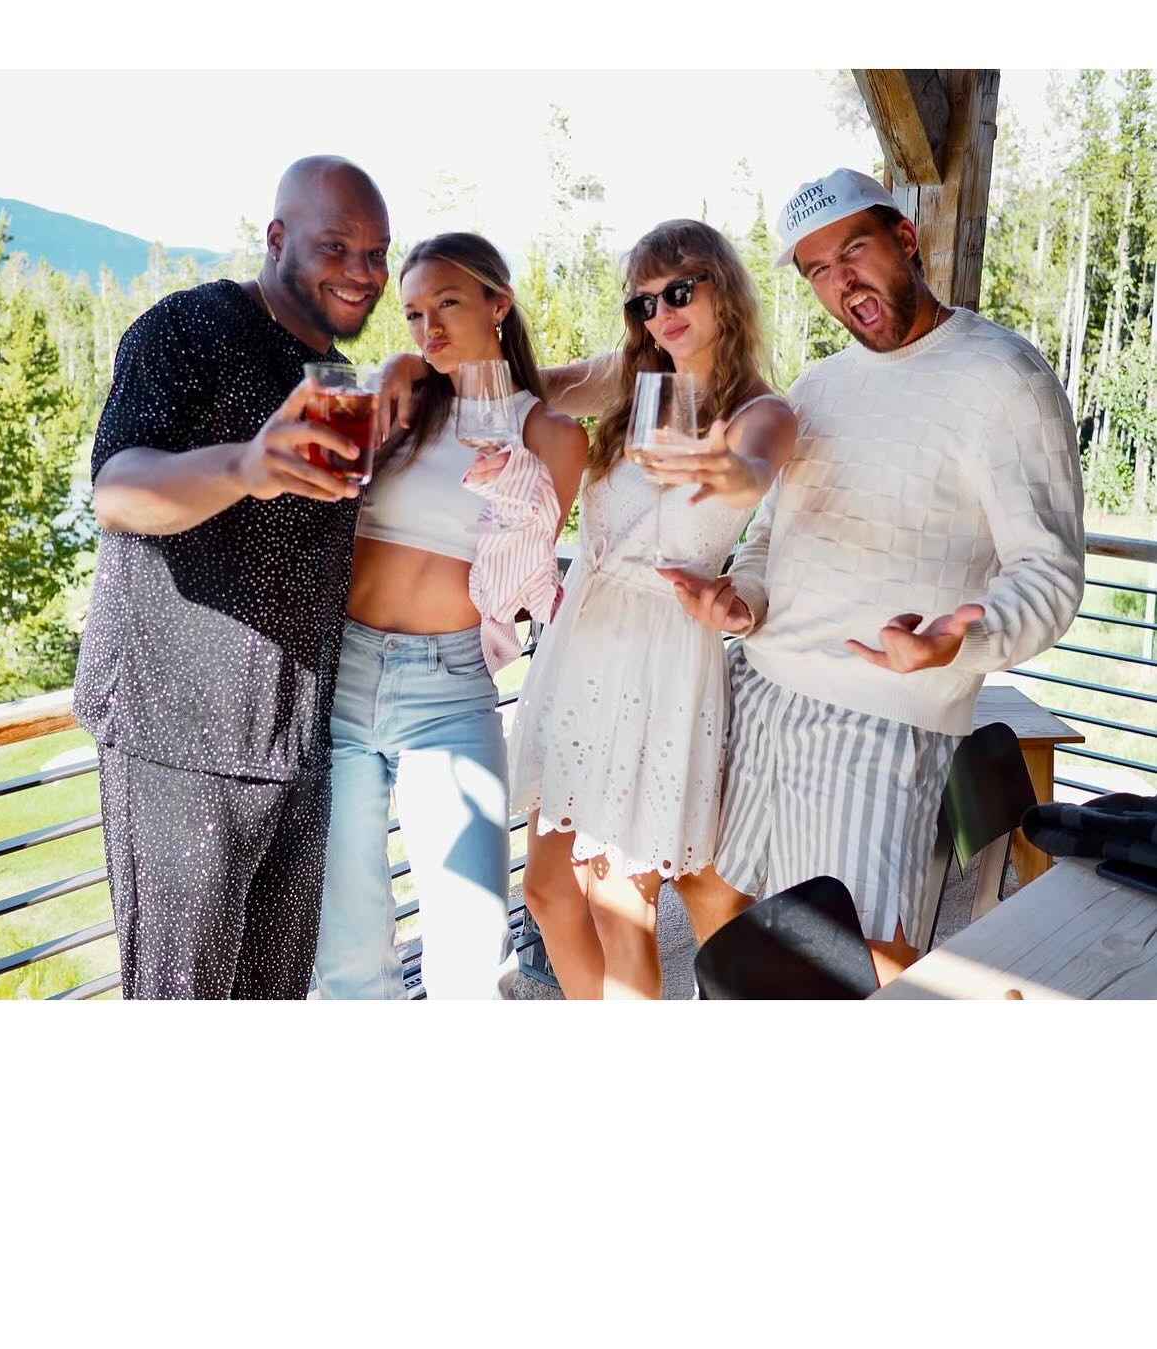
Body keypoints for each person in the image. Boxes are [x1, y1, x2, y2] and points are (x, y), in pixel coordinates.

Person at [662, 168, 1085, 983]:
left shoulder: (1006, 378)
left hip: (880, 713)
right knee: (708, 887)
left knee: (858, 958)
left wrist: (962, 641)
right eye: (818, 269)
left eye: (854, 251)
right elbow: (768, 539)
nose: (841, 281)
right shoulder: (817, 387)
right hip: (758, 688)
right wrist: (741, 600)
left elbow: (1049, 573)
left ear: (906, 239)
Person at [73, 155, 391, 1000]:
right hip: (177, 745)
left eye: (376, 253)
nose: (363, 272)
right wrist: (248, 465)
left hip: (296, 749)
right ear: (277, 238)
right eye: (337, 246)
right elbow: (118, 490)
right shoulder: (188, 327)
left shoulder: (333, 381)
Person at [507, 221, 796, 999]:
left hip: (661, 658)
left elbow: (751, 468)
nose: (661, 314)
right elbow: (524, 386)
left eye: (678, 291)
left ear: (722, 290)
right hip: (581, 645)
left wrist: (717, 465)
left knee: (619, 904)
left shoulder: (763, 409)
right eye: (643, 302)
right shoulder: (629, 379)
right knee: (546, 890)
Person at [308, 232, 586, 1000]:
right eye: (412, 313)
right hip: (341, 673)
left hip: (447, 687)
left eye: (447, 303)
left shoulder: (549, 435)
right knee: (346, 949)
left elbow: (521, 584)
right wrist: (391, 375)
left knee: (469, 943)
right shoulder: (397, 406)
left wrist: (510, 477)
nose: (427, 327)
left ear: (499, 303)